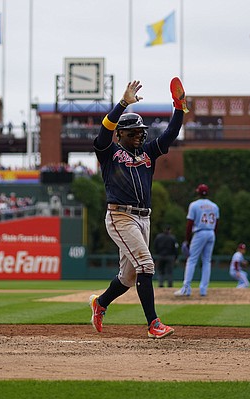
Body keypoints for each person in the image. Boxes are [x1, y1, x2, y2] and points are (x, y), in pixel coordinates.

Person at [89, 78, 186, 339]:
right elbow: (104, 129)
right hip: (120, 216)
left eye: (141, 132)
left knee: (128, 277)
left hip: (144, 219)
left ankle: (100, 303)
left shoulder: (147, 153)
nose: (139, 135)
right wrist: (122, 104)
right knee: (146, 265)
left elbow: (170, 135)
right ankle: (153, 324)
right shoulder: (108, 152)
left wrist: (179, 107)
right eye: (132, 132)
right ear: (120, 134)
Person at [174, 184, 220, 297]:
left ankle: (186, 288)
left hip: (200, 232)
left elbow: (189, 224)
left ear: (198, 193)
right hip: (211, 233)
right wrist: (213, 235)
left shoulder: (194, 205)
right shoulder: (214, 206)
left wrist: (187, 240)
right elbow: (217, 224)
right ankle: (203, 289)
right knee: (207, 261)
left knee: (192, 260)